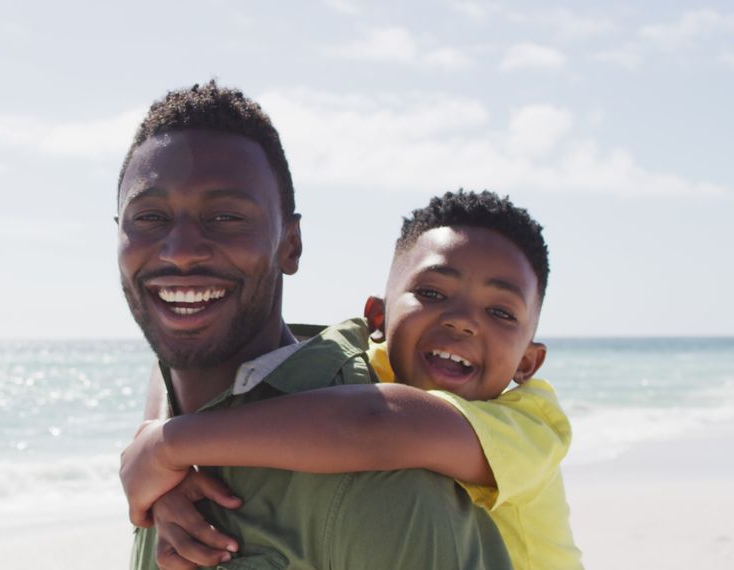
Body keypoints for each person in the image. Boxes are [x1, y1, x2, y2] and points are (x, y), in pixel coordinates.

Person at [116, 81, 510, 569]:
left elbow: (370, 423)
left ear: (291, 245)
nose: (180, 251)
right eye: (150, 216)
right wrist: (161, 441)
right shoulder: (156, 470)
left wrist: (167, 444)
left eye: (225, 216)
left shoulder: (378, 487)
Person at [121, 190, 583, 569]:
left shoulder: (531, 426)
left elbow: (376, 424)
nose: (463, 321)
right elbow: (190, 367)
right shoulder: (362, 368)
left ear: (528, 363)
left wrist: (172, 446)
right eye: (432, 293)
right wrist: (169, 476)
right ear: (376, 317)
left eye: (500, 312)